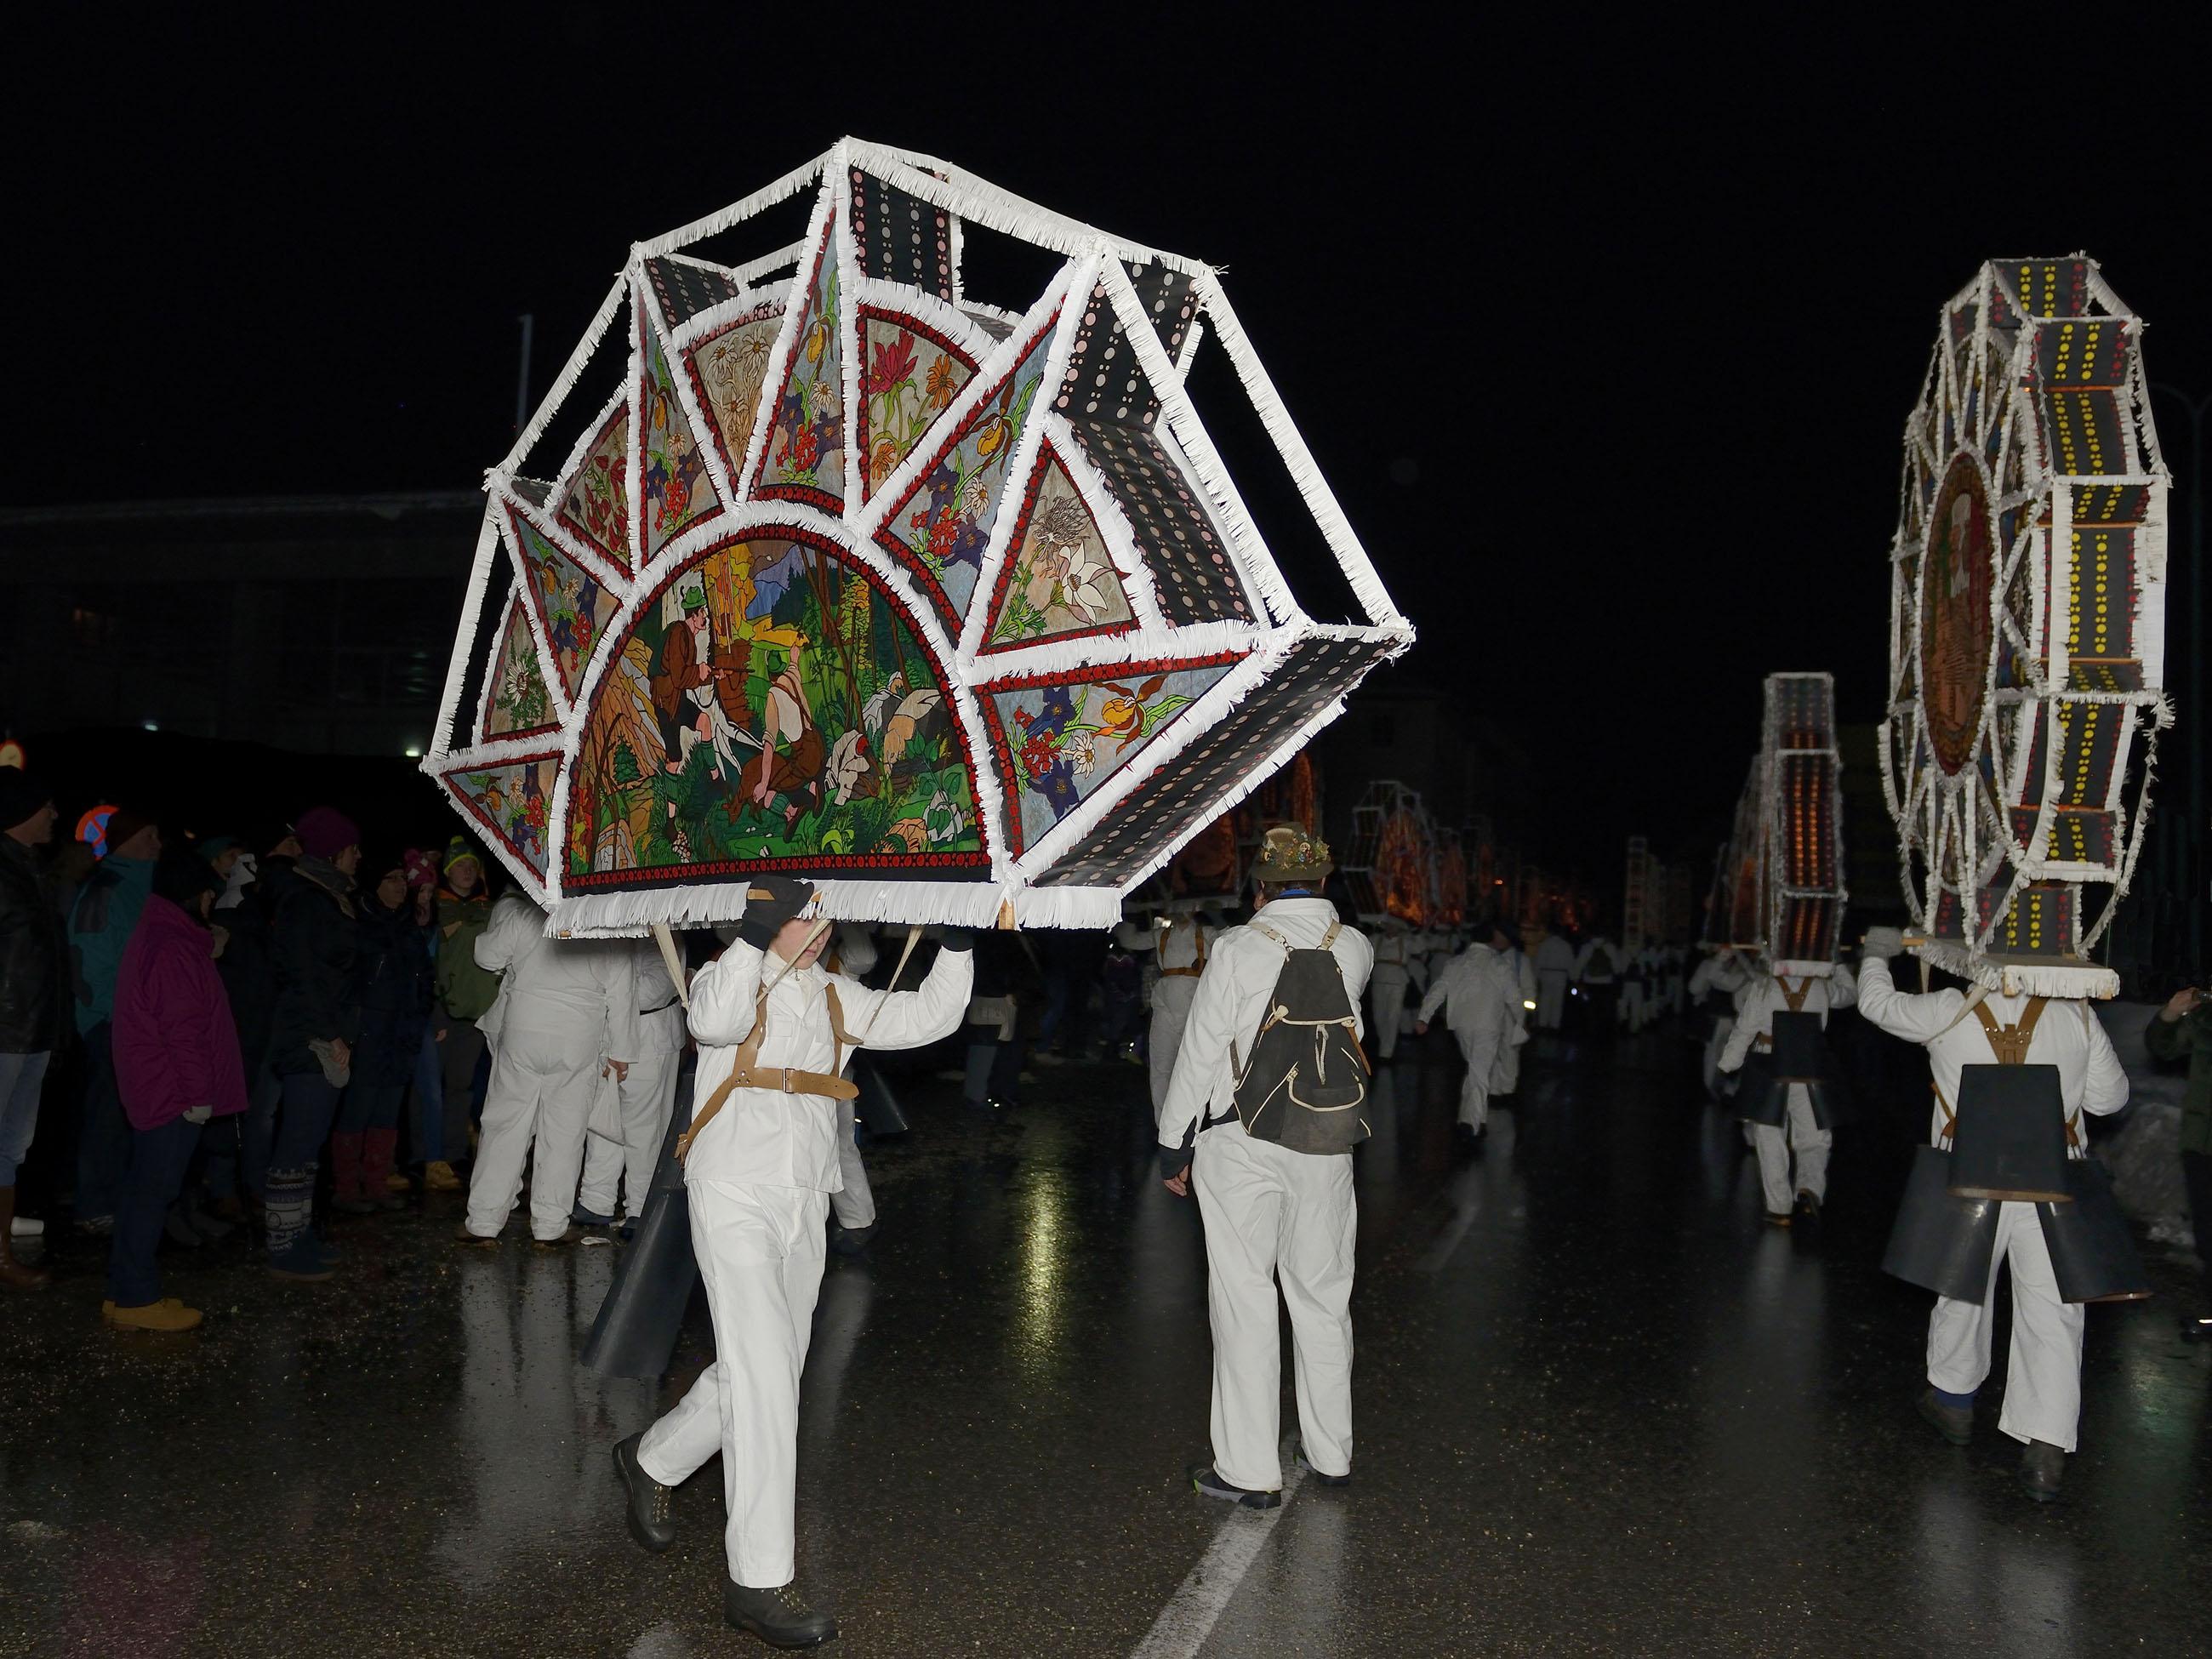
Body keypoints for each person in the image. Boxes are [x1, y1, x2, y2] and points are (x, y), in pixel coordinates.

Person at [613, 876, 972, 1647]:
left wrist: (958, 942)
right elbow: (712, 1022)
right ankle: (757, 1579)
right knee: (768, 1377)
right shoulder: (728, 975)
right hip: (732, 1186)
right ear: (765, 919)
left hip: (805, 1193)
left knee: (768, 1362)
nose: (817, 928)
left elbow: (930, 1018)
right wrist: (752, 935)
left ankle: (652, 1459)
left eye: (820, 917)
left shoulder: (836, 995)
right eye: (799, 917)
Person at [1856, 927, 2126, 1501]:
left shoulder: (1948, 1008)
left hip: (1969, 1176)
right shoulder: (2075, 1015)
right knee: (2055, 1311)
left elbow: (1876, 1005)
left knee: (1963, 1288)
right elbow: (2110, 1101)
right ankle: (2046, 1445)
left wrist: (1877, 955)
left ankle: (1953, 1402)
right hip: (2052, 1181)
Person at [1157, 826, 1372, 1508]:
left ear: (1260, 889)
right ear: (1326, 881)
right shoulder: (1356, 947)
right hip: (1327, 1143)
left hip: (1241, 1142)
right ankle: (1331, 1454)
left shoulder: (1237, 948)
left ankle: (1250, 1471)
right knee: (1323, 1298)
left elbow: (1201, 1049)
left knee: (1245, 1299)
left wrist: (1174, 1142)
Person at [105, 855, 248, 1331]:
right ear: (196, 896)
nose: (211, 903)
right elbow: (182, 1030)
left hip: (160, 1086)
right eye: (208, 895)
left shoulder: (166, 936)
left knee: (144, 1187)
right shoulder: (172, 946)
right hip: (171, 1092)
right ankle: (136, 1298)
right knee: (154, 1191)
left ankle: (124, 1291)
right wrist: (198, 1094)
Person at [459, 892, 627, 1246]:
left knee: (504, 1126)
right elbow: (622, 991)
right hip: (578, 1037)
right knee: (565, 1133)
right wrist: (622, 1051)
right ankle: (550, 1225)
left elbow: (485, 956)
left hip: (525, 1029)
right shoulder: (606, 924)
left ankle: (484, 1220)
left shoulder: (526, 916)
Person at [263, 806, 364, 1281]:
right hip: (310, 1038)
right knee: (298, 1140)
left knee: (310, 1142)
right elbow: (304, 975)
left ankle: (299, 1232)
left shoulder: (329, 896)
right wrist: (330, 1033)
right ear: (332, 852)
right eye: (352, 849)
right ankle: (283, 1246)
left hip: (324, 1032)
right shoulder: (305, 900)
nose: (358, 857)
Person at [67, 807, 162, 1235]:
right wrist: (115, 1013)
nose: (157, 845)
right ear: (125, 840)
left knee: (135, 1114)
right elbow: (87, 961)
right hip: (112, 1022)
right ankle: (94, 1203)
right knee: (108, 1113)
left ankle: (123, 1198)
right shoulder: (105, 889)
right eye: (149, 836)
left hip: (143, 1021)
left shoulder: (145, 887)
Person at [1718, 957, 1856, 1224]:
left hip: (1769, 1066)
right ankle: (1809, 1188)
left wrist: (1728, 1064)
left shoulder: (1764, 986)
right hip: (1809, 1065)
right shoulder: (1821, 986)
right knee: (1814, 1134)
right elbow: (1850, 995)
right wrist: (1839, 966)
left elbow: (1745, 1029)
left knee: (1769, 1134)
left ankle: (1779, 1206)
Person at [332, 855, 434, 1215]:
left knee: (389, 1110)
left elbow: (424, 976)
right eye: (391, 878)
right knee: (358, 1106)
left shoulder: (408, 925)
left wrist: (421, 1015)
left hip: (402, 1030)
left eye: (402, 879)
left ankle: (376, 1183)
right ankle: (346, 1188)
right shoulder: (359, 921)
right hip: (369, 1029)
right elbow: (347, 978)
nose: (400, 885)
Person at [575, 933, 687, 1232]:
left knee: (645, 1128)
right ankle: (596, 1200)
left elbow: (653, 992)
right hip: (606, 1036)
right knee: (602, 1120)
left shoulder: (665, 939)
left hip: (651, 1040)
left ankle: (640, 1206)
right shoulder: (609, 936)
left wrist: (604, 989)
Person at [0, 771, 64, 1290]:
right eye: (46, 805)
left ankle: (1, 1254)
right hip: (4, 1029)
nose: (55, 814)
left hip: (32, 1027)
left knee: (11, 1148)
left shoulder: (29, 867)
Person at [1417, 917, 1529, 1148]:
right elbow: (1515, 998)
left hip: (1461, 1025)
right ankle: (1471, 1125)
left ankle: (1474, 1118)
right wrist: (1521, 1021)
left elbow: (1438, 990)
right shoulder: (1499, 965)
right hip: (1488, 1025)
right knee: (1480, 1073)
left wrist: (1424, 1016)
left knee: (1476, 1070)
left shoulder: (1456, 963)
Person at [2143, 985, 2212, 1339]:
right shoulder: (2206, 1019)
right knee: (2208, 1235)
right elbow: (2163, 1047)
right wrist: (2171, 1013)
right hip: (2203, 1142)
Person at [425, 840, 494, 1191]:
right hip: (444, 1011)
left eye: (472, 865)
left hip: (479, 1016)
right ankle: (432, 1156)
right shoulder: (434, 906)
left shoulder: (489, 907)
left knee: (463, 1088)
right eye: (460, 865)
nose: (467, 871)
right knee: (434, 1089)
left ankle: (457, 1154)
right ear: (448, 870)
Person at [1687, 945, 1753, 1100]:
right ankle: (1715, 1089)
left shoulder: (1745, 968)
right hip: (1717, 1018)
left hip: (1735, 1019)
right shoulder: (1710, 965)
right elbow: (1694, 988)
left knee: (1731, 1055)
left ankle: (1727, 1090)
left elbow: (1729, 984)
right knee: (1714, 1054)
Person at [1367, 921, 1416, 1062]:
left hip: (1397, 982)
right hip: (1379, 980)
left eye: (1394, 925)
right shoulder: (1376, 939)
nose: (1391, 928)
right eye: (1388, 925)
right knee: (1379, 1015)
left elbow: (1420, 947)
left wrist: (1415, 932)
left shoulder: (1406, 941)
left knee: (1393, 1015)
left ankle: (1386, 1052)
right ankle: (1384, 1043)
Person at [1574, 932, 1622, 1035]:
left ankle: (1591, 1030)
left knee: (1590, 1009)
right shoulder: (1610, 947)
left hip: (1589, 984)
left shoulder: (1586, 947)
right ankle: (1603, 1032)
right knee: (1605, 1010)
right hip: (1606, 984)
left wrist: (1575, 979)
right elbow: (1617, 968)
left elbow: (1579, 965)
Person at [1533, 927, 1576, 1032]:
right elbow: (1570, 963)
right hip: (1561, 976)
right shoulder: (1566, 946)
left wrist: (1535, 976)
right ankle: (1554, 1025)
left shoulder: (1545, 944)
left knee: (1545, 999)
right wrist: (1573, 978)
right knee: (1558, 1001)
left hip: (1546, 974)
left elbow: (1539, 961)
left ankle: (1543, 1023)